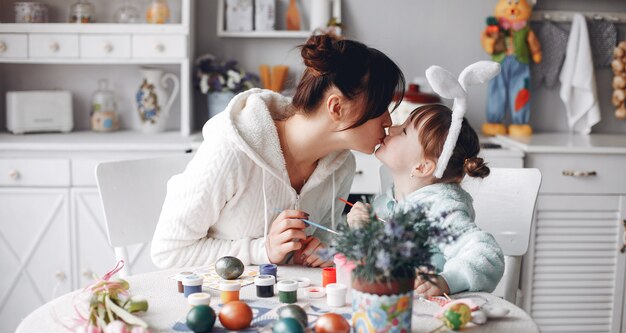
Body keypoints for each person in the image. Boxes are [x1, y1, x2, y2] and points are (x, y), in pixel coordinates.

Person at [151, 33, 405, 269]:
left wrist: (320, 251)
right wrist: (263, 250)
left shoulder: (342, 165)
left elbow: (318, 243)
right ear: (337, 107)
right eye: (381, 106)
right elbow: (167, 251)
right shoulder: (232, 150)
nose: (388, 122)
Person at [347, 62, 505, 297]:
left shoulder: (439, 208)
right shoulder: (393, 200)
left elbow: (487, 254)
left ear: (422, 167)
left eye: (403, 131)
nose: (391, 128)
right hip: (393, 307)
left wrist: (446, 281)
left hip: (431, 316)